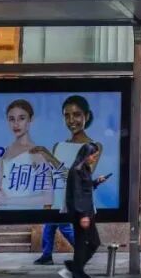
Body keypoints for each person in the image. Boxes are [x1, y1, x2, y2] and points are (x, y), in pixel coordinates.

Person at [35, 95, 100, 265]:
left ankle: (80, 252)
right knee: (49, 225)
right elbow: (53, 174)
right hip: (57, 195)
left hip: (73, 198)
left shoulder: (93, 146)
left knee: (64, 226)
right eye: (67, 115)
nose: (71, 120)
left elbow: (78, 175)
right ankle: (47, 255)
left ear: (87, 115)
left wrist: (49, 156)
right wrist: (48, 198)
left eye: (77, 114)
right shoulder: (59, 145)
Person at [56, 142, 107, 278]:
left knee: (91, 243)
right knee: (84, 244)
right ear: (85, 155)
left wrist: (96, 182)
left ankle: (74, 268)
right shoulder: (76, 170)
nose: (94, 159)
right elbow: (77, 194)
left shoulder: (84, 169)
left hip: (86, 212)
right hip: (82, 214)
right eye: (93, 156)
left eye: (95, 156)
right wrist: (83, 215)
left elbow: (85, 188)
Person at [0, 100, 55, 210]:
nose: (16, 124)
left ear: (31, 119)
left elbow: (48, 198)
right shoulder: (2, 153)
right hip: (1, 217)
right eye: (12, 119)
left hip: (27, 217)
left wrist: (7, 200)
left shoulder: (37, 153)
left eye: (21, 118)